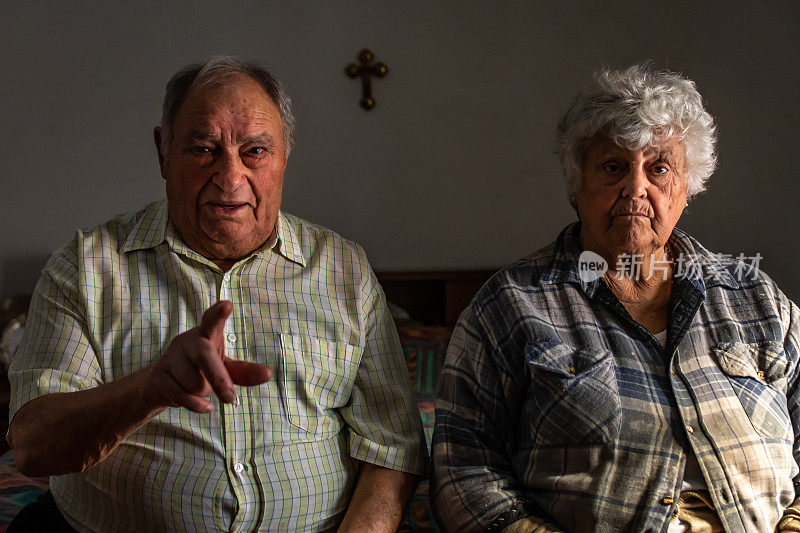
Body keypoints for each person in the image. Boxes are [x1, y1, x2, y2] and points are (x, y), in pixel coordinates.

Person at [8, 56, 426, 532]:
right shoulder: (84, 267)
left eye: (255, 151)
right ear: (163, 152)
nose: (230, 177)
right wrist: (148, 390)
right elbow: (33, 444)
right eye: (203, 148)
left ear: (285, 154)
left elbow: (393, 447)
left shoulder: (345, 270)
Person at [431, 64, 800, 532]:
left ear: (688, 186)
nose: (636, 187)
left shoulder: (758, 300)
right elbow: (462, 470)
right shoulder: (511, 305)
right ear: (577, 185)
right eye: (613, 167)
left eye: (659, 167)